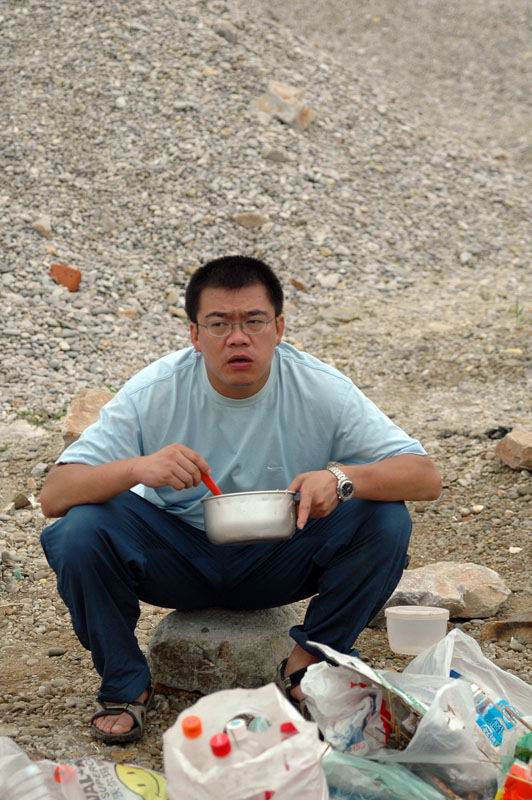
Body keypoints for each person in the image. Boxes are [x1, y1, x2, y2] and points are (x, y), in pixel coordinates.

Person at [40, 255, 442, 744]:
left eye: (253, 321)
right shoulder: (155, 391)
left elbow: (424, 477)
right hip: (175, 558)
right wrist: (137, 469)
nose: (237, 338)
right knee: (78, 530)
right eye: (219, 324)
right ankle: (125, 684)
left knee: (384, 519)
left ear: (279, 328)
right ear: (194, 335)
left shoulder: (319, 388)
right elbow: (54, 494)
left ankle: (307, 666)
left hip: (281, 557)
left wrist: (340, 478)